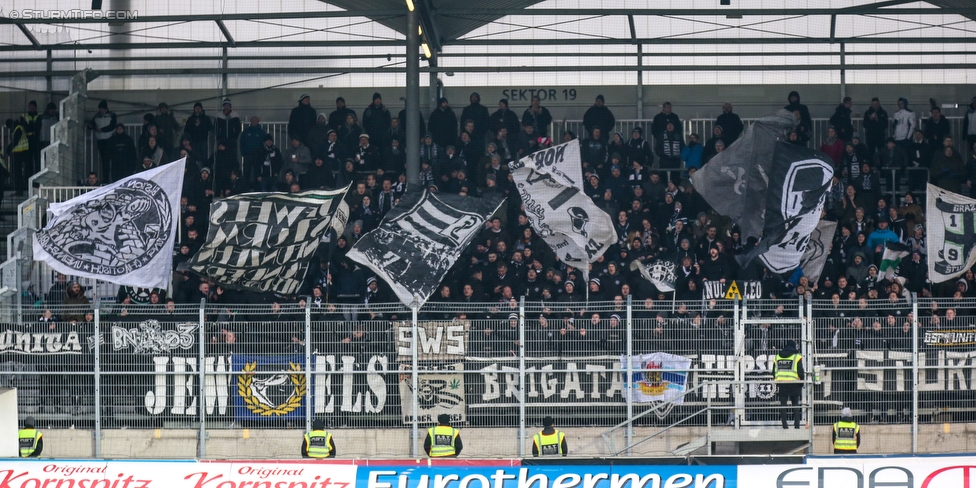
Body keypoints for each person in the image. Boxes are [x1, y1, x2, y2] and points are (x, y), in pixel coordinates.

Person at [772, 340, 805, 429]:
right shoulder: (797, 357)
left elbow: (774, 372)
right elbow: (800, 372)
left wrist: (777, 381)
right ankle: (797, 425)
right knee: (795, 406)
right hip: (795, 384)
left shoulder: (777, 356)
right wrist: (801, 382)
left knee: (783, 406)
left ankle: (785, 426)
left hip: (782, 384)